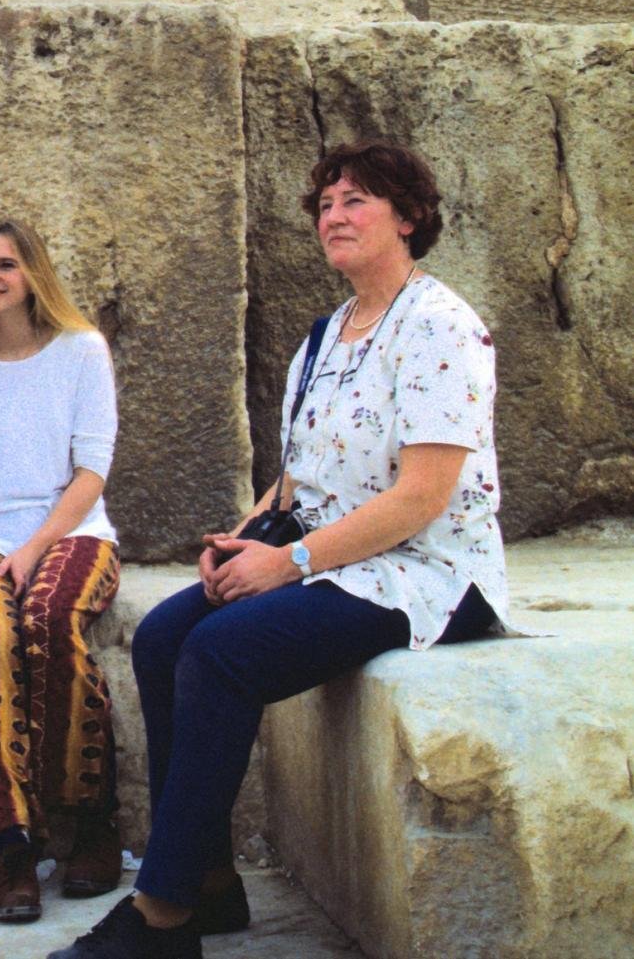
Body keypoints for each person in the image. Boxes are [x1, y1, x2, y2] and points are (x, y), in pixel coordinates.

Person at [50, 138, 510, 959]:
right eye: (325, 203)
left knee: (221, 651)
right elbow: (298, 476)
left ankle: (161, 915)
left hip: (428, 572)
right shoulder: (326, 335)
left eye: (356, 199)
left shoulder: (442, 326)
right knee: (163, 635)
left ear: (409, 216)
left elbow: (422, 497)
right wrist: (245, 538)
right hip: (338, 556)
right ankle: (209, 882)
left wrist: (290, 562)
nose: (334, 215)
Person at [0, 218, 122, 924]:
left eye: (6, 264)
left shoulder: (81, 350)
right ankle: (13, 846)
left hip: (74, 529)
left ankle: (93, 821)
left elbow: (92, 470)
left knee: (47, 616)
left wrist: (36, 546)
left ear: (33, 273)